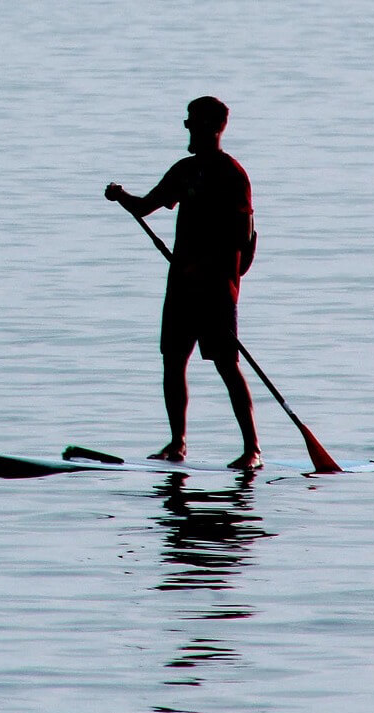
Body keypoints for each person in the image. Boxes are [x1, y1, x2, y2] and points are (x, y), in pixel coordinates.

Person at [104, 96, 262, 470]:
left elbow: (243, 241)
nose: (186, 127)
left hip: (216, 291)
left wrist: (212, 274)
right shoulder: (184, 170)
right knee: (173, 362)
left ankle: (252, 449)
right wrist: (120, 195)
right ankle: (177, 444)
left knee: (226, 365)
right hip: (181, 288)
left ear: (213, 127)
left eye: (192, 121)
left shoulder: (232, 176)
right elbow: (145, 206)